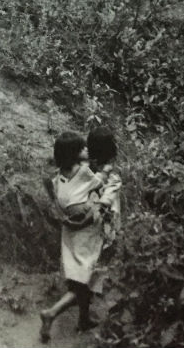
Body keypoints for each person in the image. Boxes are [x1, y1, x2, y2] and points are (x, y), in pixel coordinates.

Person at [40, 131, 109, 342]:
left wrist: (62, 215)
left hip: (69, 233)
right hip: (85, 233)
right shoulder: (84, 172)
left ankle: (83, 320)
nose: (86, 150)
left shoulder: (59, 175)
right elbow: (100, 185)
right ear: (74, 154)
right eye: (82, 148)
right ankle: (51, 313)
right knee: (84, 281)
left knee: (77, 279)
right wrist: (106, 173)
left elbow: (52, 194)